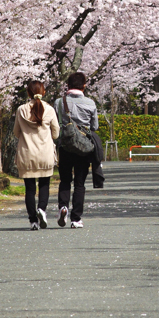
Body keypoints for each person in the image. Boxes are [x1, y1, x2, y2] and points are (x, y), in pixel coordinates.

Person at [13, 80, 60, 230]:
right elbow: (56, 133)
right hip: (45, 154)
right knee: (44, 184)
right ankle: (42, 209)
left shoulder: (21, 109)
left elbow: (16, 132)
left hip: (26, 154)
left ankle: (33, 221)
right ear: (43, 92)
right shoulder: (49, 109)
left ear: (28, 93)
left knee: (30, 189)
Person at [54, 71, 98, 228]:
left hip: (65, 146)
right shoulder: (90, 103)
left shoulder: (59, 102)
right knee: (80, 183)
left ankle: (63, 207)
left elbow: (55, 123)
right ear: (84, 86)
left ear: (68, 85)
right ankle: (76, 219)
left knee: (65, 180)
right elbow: (94, 127)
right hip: (83, 147)